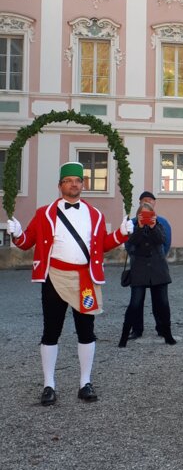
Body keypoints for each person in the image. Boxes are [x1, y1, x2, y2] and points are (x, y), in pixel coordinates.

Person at [6, 161, 132, 405]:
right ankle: (49, 385)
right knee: (51, 331)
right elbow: (26, 242)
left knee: (86, 331)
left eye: (78, 181)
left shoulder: (95, 214)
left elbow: (103, 245)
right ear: (60, 185)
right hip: (54, 278)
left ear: (83, 185)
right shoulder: (44, 213)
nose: (74, 184)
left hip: (85, 280)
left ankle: (85, 383)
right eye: (68, 181)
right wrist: (17, 233)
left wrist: (121, 233)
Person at [118, 203, 175, 347]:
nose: (146, 217)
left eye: (149, 215)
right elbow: (132, 242)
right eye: (143, 215)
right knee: (135, 303)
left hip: (158, 270)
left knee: (163, 303)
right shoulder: (133, 228)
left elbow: (161, 240)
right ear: (138, 216)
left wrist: (153, 226)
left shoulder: (159, 226)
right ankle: (124, 336)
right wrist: (140, 227)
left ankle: (167, 334)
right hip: (139, 271)